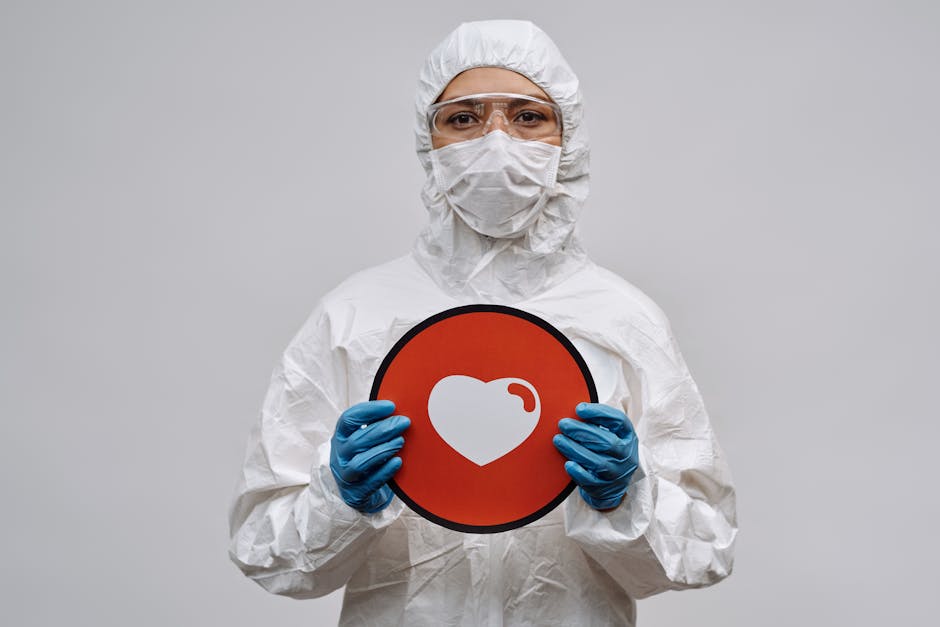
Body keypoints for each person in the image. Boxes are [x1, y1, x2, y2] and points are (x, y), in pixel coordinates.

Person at [228, 20, 736, 626]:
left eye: (527, 116)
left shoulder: (623, 318)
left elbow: (704, 550)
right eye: (464, 118)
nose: (496, 141)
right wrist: (337, 496)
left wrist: (629, 495)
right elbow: (266, 552)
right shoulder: (355, 315)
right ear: (429, 141)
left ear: (566, 139)